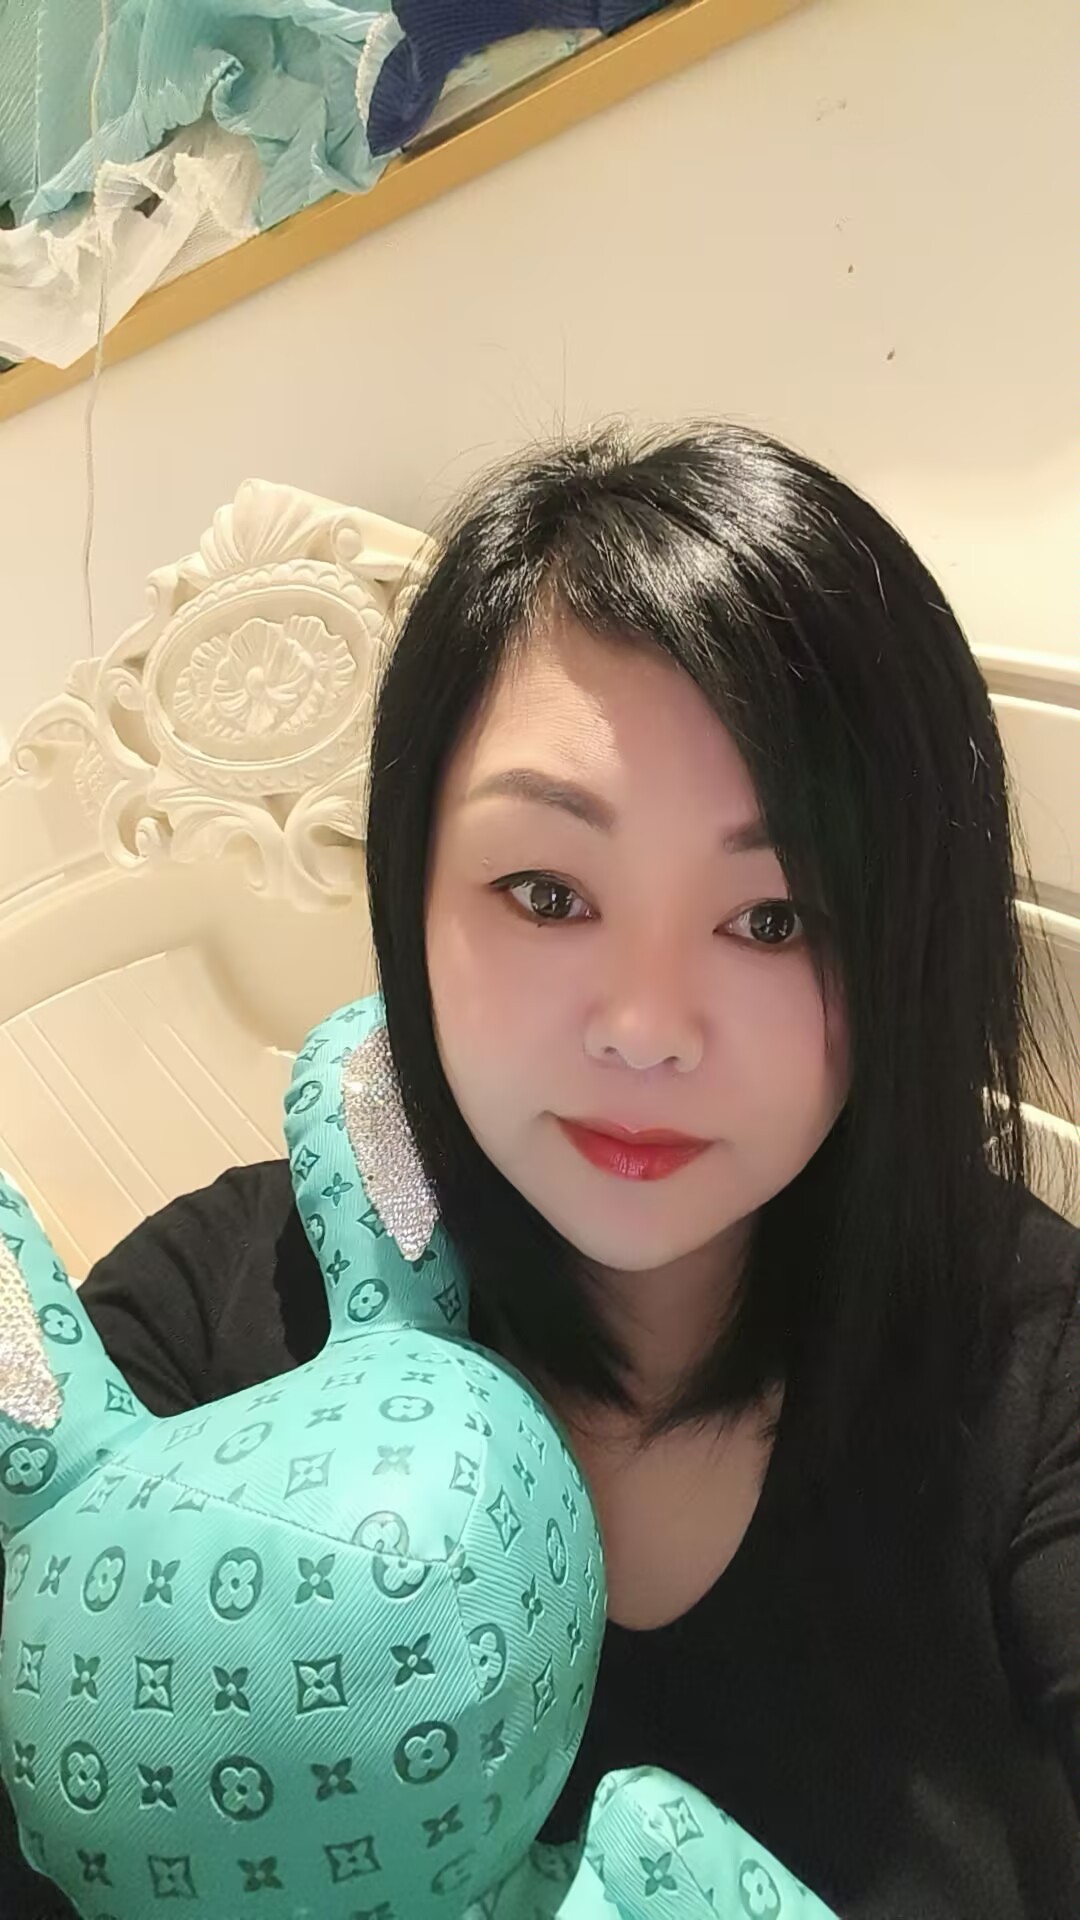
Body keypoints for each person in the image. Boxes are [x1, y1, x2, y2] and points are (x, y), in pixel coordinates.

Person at [2, 422, 1077, 1920]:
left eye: (774, 920)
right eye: (547, 892)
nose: (643, 1028)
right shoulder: (194, 1340)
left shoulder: (1029, 1357)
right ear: (411, 893)